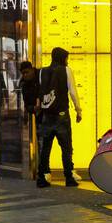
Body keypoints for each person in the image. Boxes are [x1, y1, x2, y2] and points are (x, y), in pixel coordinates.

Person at [37, 46, 82, 188]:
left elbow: (40, 92)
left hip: (46, 115)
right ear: (62, 58)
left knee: (45, 148)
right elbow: (73, 92)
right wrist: (78, 110)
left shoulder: (42, 71)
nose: (67, 61)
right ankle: (68, 177)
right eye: (66, 58)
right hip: (61, 115)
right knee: (66, 147)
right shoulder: (66, 70)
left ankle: (43, 177)